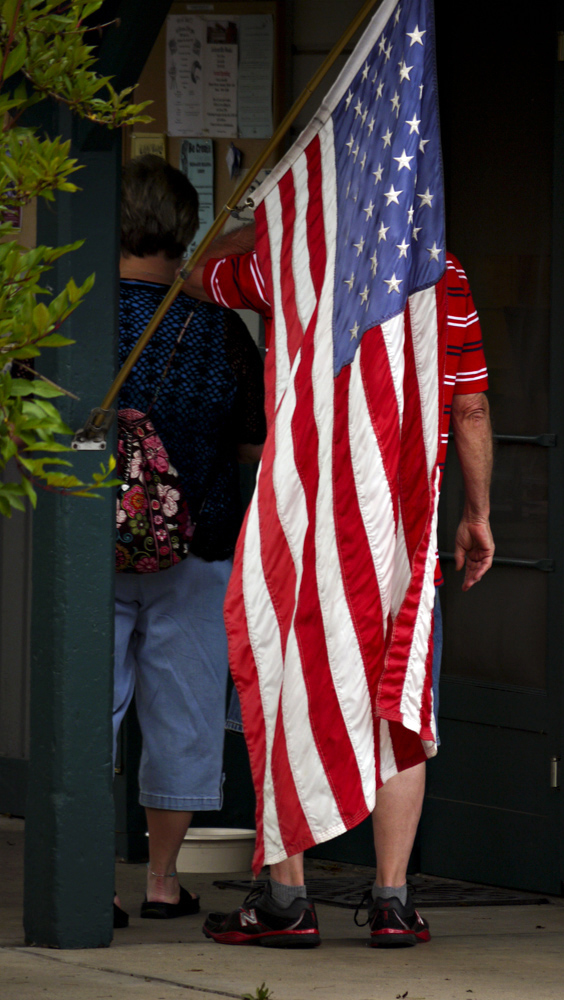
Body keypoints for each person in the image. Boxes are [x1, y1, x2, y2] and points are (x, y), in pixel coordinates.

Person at [182, 237, 494, 948]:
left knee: (287, 692)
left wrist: (253, 219)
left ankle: (287, 902)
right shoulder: (446, 272)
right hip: (400, 531)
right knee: (398, 705)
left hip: (303, 528)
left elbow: (198, 275)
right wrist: (475, 514)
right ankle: (391, 901)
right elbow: (469, 406)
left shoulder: (297, 248)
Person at [112, 156, 266, 928]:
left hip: (91, 545)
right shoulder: (217, 330)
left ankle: (87, 879)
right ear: (182, 231)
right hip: (197, 543)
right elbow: (252, 440)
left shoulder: (80, 319)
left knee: (89, 710)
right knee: (183, 714)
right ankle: (163, 882)